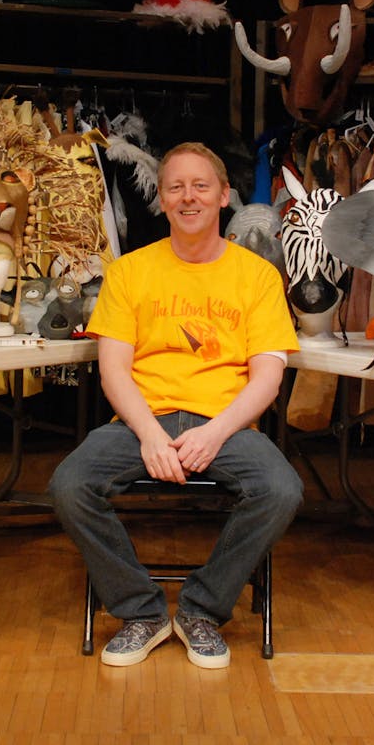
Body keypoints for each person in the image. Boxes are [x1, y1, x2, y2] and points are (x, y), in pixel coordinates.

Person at [48, 142, 304, 669]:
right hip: (144, 420)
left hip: (227, 426)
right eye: (175, 187)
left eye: (200, 185)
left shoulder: (257, 276)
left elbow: (268, 379)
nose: (188, 197)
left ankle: (201, 610)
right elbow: (114, 370)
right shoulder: (129, 272)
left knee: (281, 491)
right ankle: (141, 611)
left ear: (223, 195)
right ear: (162, 200)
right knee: (70, 486)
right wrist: (148, 435)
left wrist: (214, 434)